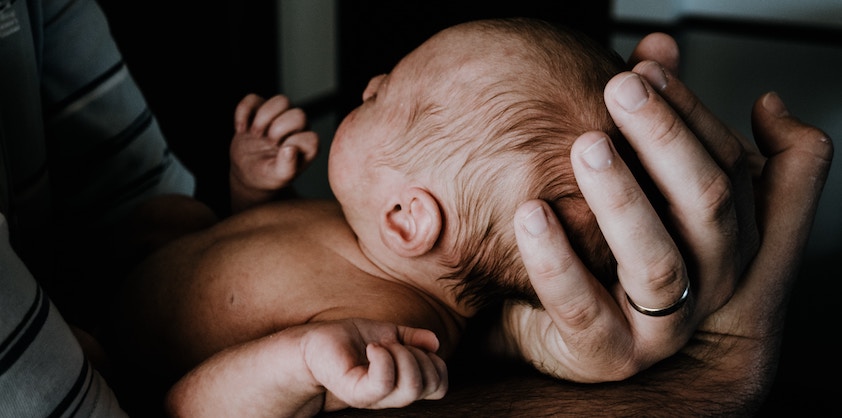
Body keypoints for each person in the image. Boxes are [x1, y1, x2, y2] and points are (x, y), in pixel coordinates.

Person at [0, 1, 831, 417]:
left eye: (385, 92)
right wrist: (256, 190)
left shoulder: (383, 328)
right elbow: (251, 244)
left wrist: (297, 363)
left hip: (135, 373)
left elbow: (201, 409)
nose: (367, 84)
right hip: (136, 270)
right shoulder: (367, 235)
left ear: (408, 218)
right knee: (173, 222)